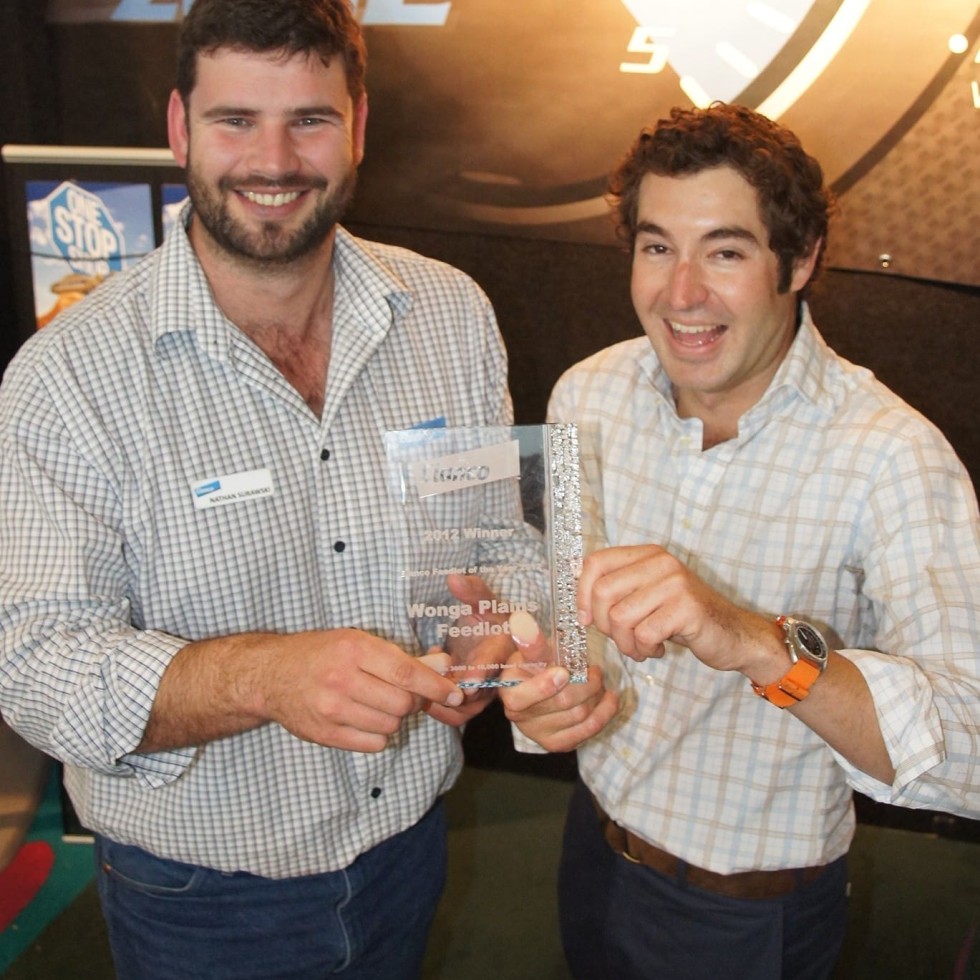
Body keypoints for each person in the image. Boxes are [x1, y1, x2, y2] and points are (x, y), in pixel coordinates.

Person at [0, 1, 521, 976]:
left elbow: (491, 540)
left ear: (358, 127)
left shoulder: (449, 313)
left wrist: (492, 622)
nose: (273, 160)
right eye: (236, 119)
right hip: (202, 894)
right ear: (176, 127)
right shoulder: (67, 377)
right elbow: (36, 665)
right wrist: (264, 676)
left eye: (310, 121)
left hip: (408, 844)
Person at [500, 103, 980, 980]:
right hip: (592, 847)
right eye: (656, 248)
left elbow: (972, 750)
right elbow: (575, 620)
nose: (681, 293)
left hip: (750, 913)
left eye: (724, 251)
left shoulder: (893, 457)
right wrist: (551, 687)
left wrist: (751, 640)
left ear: (799, 261)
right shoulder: (587, 395)